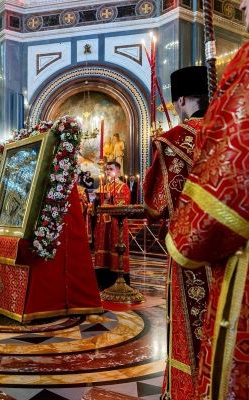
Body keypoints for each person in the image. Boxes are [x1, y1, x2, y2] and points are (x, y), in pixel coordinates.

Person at [166, 21, 249, 399]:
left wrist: (183, 235)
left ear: (182, 100)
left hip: (216, 249)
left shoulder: (171, 141)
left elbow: (162, 207)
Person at [142, 65, 209, 399]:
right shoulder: (229, 128)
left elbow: (154, 202)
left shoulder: (174, 141)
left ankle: (187, 390)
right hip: (235, 248)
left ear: (181, 100)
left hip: (190, 250)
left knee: (191, 321)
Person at [94, 161, 131, 288]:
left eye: (111, 169)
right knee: (103, 247)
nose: (108, 171)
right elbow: (99, 205)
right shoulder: (104, 186)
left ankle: (117, 277)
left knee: (115, 247)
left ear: (118, 171)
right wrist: (97, 200)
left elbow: (124, 203)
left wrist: (112, 197)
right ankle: (103, 279)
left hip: (116, 223)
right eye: (107, 169)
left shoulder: (123, 187)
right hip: (104, 223)